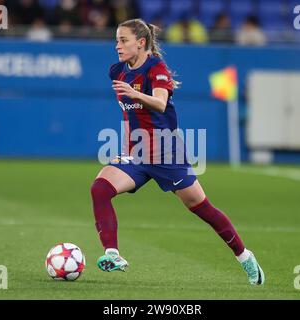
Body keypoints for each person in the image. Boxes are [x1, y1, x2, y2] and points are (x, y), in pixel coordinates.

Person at [90, 18, 265, 285]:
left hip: (166, 153)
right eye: (116, 40)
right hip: (136, 153)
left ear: (141, 42)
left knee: (200, 207)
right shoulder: (118, 71)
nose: (117, 46)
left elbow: (160, 104)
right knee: (100, 188)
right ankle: (112, 254)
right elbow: (130, 114)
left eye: (123, 40)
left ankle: (245, 256)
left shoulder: (157, 69)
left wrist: (136, 95)